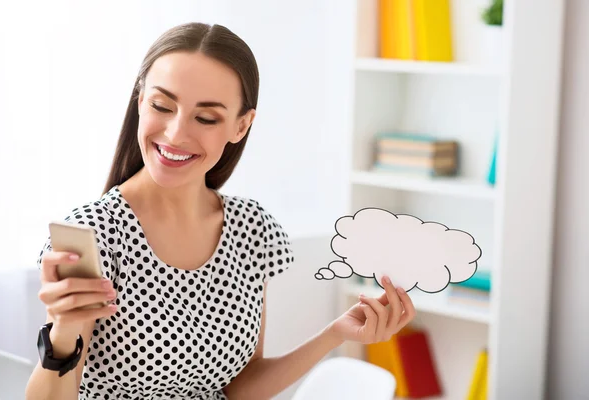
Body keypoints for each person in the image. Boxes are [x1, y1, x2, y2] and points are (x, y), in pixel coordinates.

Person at [25, 22, 416, 400]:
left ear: (241, 125)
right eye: (162, 105)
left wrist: (336, 334)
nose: (176, 133)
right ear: (140, 101)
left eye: (206, 117)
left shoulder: (252, 229)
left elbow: (239, 389)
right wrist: (62, 330)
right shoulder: (94, 233)